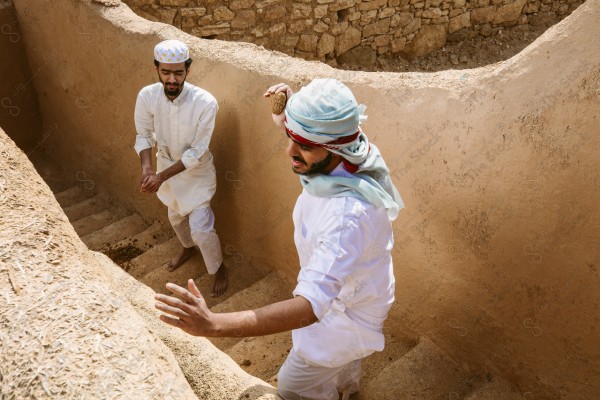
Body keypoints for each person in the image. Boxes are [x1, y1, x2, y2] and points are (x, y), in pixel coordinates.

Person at [154, 78, 403, 399]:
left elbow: (310, 308)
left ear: (336, 148)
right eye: (290, 136)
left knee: (294, 386)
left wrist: (214, 324)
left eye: (304, 145)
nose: (290, 151)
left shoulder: (344, 218)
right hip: (366, 288)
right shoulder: (350, 151)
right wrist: (290, 107)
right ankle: (347, 389)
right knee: (344, 366)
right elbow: (313, 132)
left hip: (346, 316)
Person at [134, 39, 228, 297]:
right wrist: (146, 169)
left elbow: (196, 152)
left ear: (188, 69)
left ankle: (218, 267)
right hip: (166, 170)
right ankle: (186, 248)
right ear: (156, 69)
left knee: (200, 229)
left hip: (196, 175)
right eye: (166, 72)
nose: (172, 79)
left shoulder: (205, 103)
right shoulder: (147, 96)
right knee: (175, 217)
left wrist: (160, 176)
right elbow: (143, 135)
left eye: (178, 72)